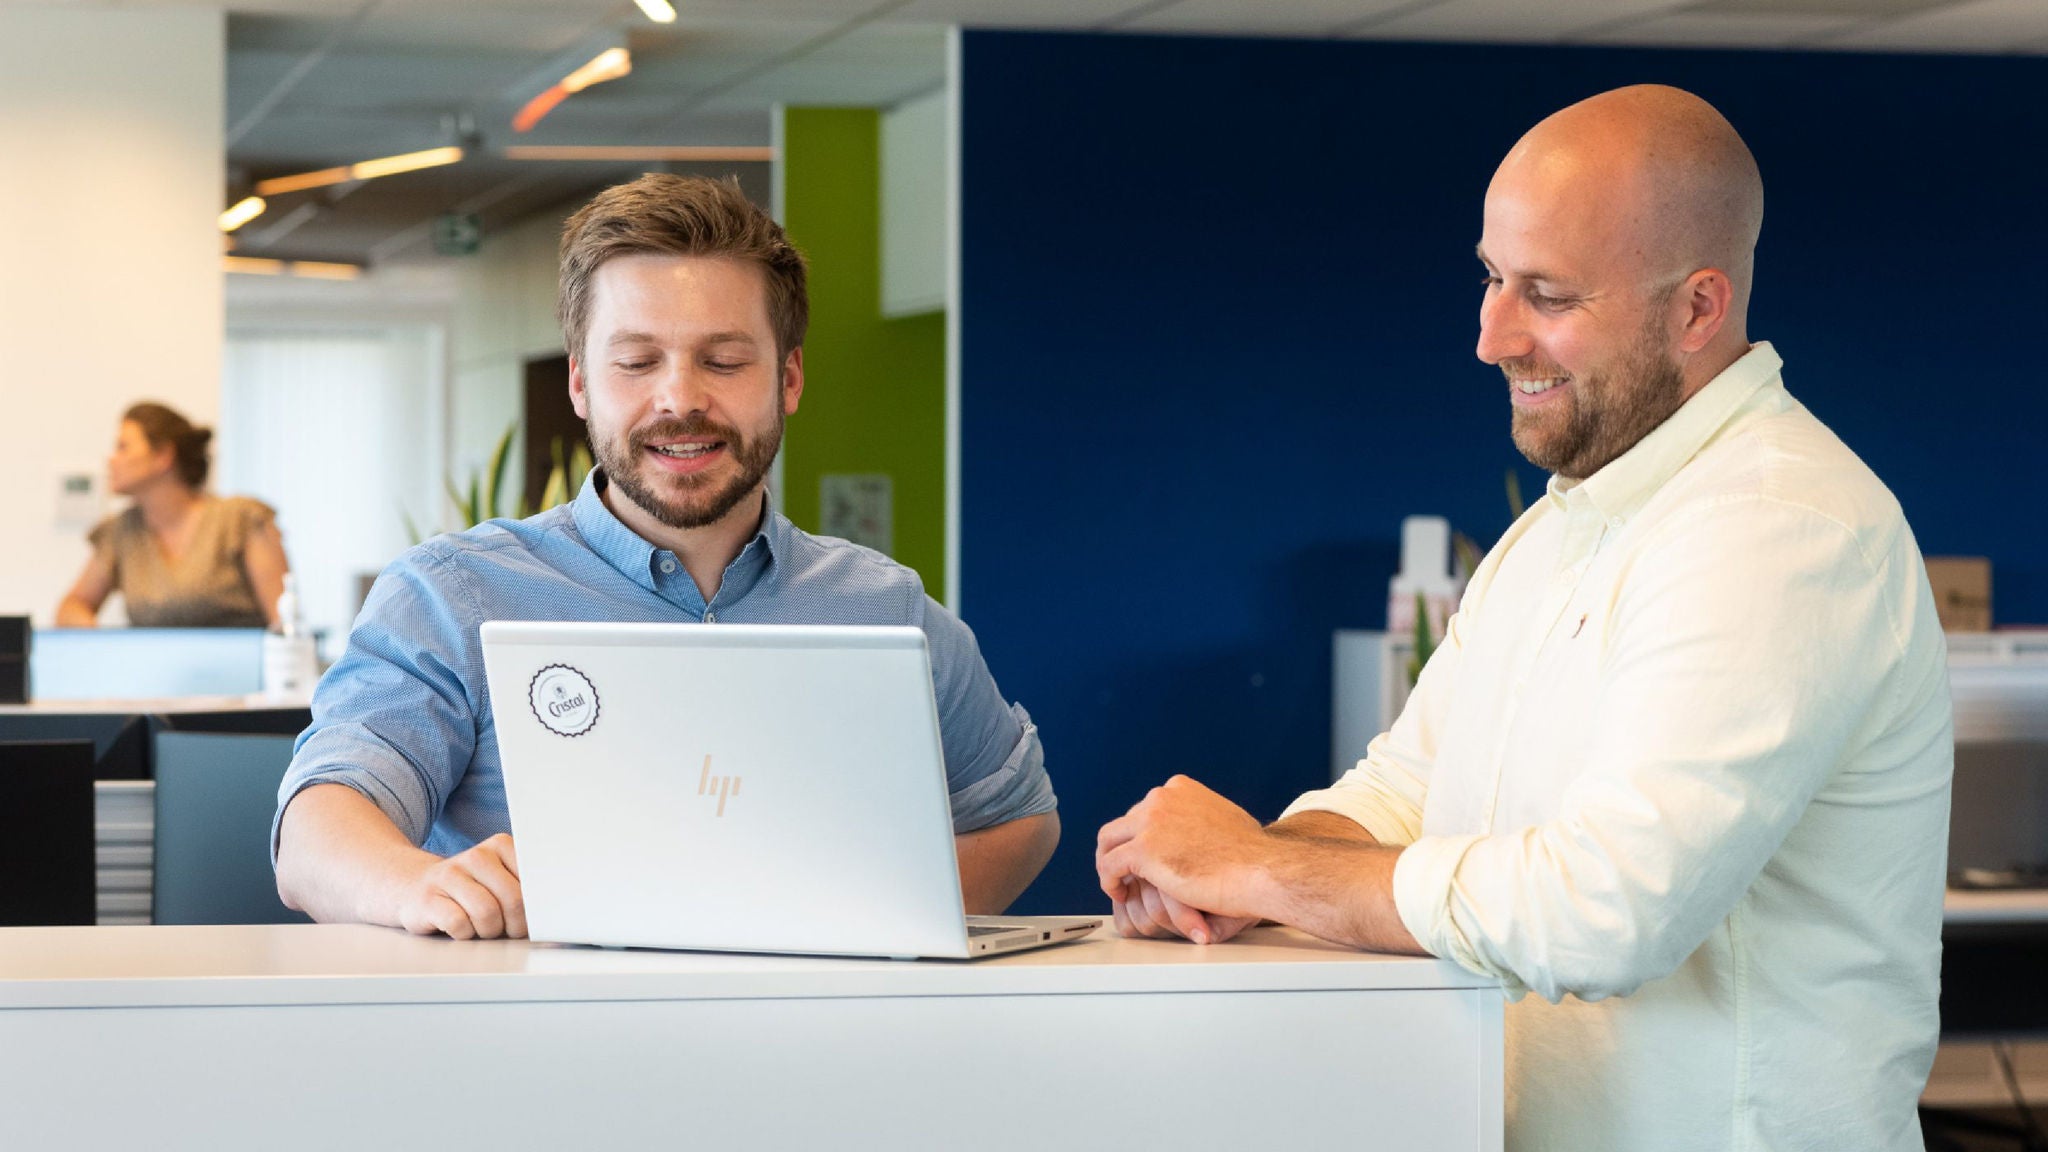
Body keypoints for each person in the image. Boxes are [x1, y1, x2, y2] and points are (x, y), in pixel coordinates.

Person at [1095, 85, 1951, 1151]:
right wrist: (1228, 881)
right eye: (1491, 278)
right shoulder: (1562, 526)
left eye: (1546, 294)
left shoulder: (1776, 527)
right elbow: (1407, 787)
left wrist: (1258, 868)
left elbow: (1605, 908)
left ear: (1694, 308)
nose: (1490, 337)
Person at [273, 174, 1059, 939]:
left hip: (811, 1052)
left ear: (788, 379)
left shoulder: (885, 608)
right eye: (638, 361)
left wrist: (863, 922)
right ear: (581, 383)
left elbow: (1020, 818)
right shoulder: (454, 593)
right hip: (532, 1053)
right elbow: (317, 830)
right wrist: (416, 883)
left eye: (723, 361)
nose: (680, 399)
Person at [57, 402, 290, 629]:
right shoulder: (120, 531)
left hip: (237, 667)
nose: (111, 459)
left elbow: (284, 624)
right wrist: (98, 641)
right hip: (149, 667)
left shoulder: (240, 519)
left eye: (123, 447)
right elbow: (72, 605)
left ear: (164, 456)